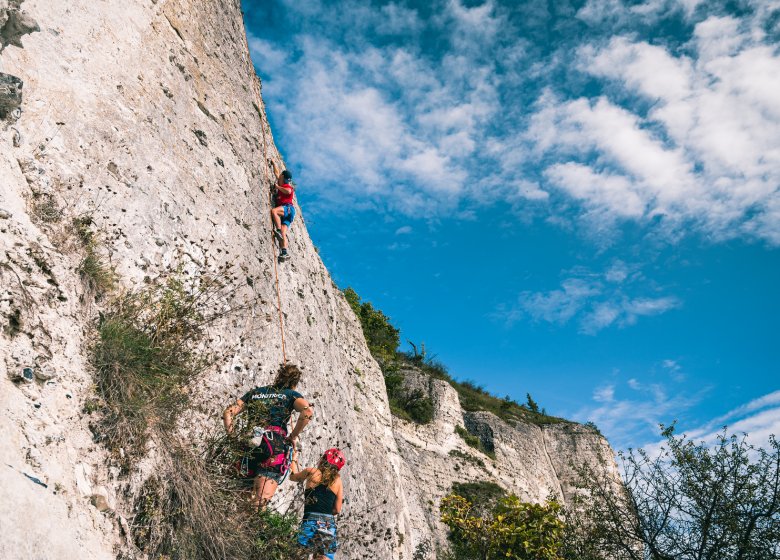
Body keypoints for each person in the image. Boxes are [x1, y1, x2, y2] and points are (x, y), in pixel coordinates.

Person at [222, 363, 314, 509]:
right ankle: (252, 528)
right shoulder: (290, 394)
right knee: (259, 504)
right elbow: (307, 412)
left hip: (249, 446)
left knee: (240, 501)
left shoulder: (255, 393)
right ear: (294, 383)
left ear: (278, 376)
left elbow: (228, 412)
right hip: (274, 447)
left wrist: (232, 438)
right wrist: (293, 436)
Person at [290, 448, 346, 560]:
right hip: (328, 523)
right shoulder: (338, 481)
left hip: (310, 519)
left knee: (299, 552)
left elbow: (293, 476)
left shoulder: (311, 472)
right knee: (324, 556)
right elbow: (337, 510)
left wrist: (293, 460)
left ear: (323, 460)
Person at [269, 159, 295, 261]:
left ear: (283, 177)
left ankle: (278, 230)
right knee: (284, 233)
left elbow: (288, 191)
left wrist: (278, 187)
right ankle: (284, 252)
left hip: (287, 208)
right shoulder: (283, 181)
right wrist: (274, 163)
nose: (279, 177)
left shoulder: (286, 186)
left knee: (274, 211)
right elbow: (277, 173)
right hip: (289, 213)